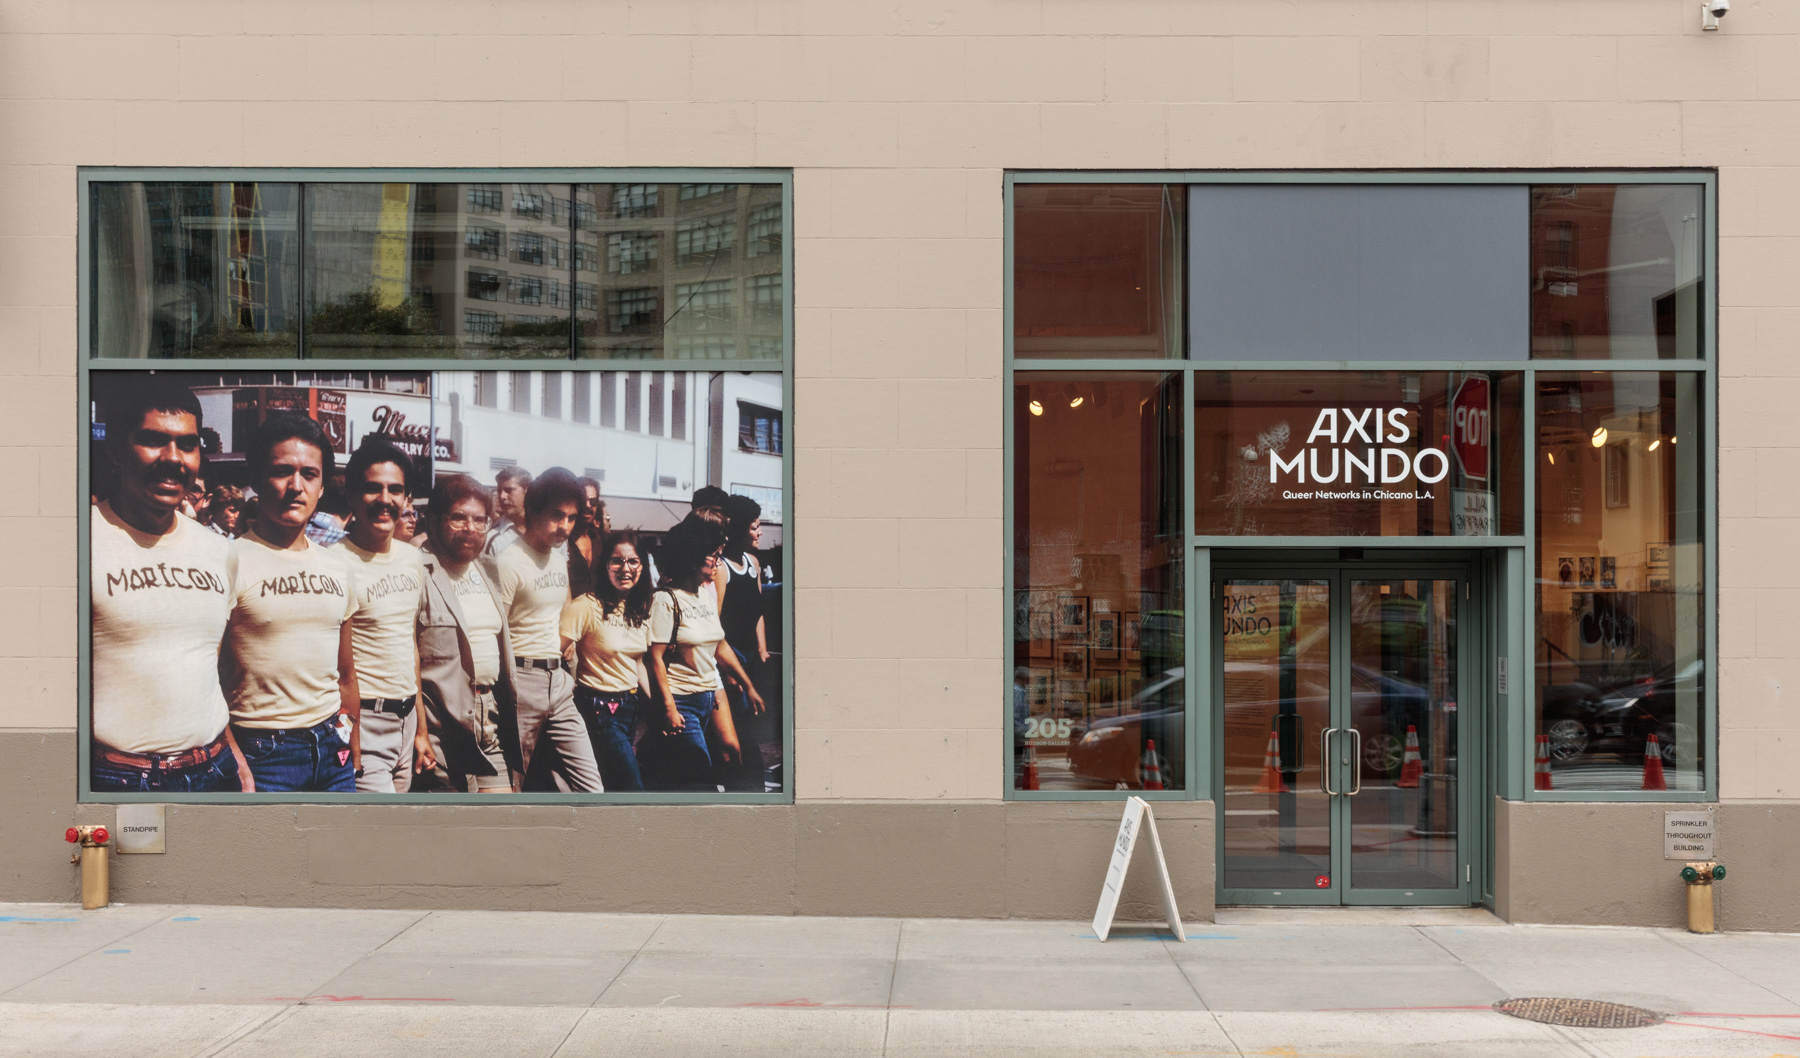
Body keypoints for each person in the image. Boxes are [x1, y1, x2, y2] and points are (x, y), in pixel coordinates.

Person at [89, 378, 245, 793]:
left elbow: (207, 668)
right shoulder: (79, 540)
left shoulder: (219, 550)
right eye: (154, 440)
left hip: (216, 769)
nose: (174, 458)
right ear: (117, 452)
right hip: (118, 777)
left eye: (187, 444)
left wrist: (235, 757)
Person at [221, 413, 360, 792]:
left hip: (334, 750)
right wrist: (232, 754)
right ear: (256, 479)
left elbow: (345, 673)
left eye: (309, 474)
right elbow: (203, 676)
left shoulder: (337, 564)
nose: (295, 486)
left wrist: (353, 743)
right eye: (281, 471)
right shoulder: (227, 559)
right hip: (262, 753)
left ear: (321, 486)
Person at [493, 466, 603, 792]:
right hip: (522, 681)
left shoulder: (559, 553)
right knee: (513, 784)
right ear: (534, 509)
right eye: (557, 516)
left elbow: (565, 604)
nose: (565, 526)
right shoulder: (509, 561)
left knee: (590, 787)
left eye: (571, 518)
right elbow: (496, 632)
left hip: (559, 680)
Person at [641, 518, 764, 791]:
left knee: (730, 752)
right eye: (715, 556)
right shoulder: (666, 600)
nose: (718, 563)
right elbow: (655, 659)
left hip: (709, 697)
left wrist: (748, 685)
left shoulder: (704, 596)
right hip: (682, 701)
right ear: (693, 558)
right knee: (698, 774)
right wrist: (669, 708)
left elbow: (720, 646)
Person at [414, 474, 516, 794]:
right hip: (442, 735)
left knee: (500, 832)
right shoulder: (417, 571)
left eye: (479, 520)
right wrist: (420, 732)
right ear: (435, 520)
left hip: (492, 728)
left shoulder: (488, 569)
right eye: (458, 517)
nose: (470, 528)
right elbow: (407, 659)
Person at [340, 438, 427, 794]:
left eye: (395, 490)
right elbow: (337, 669)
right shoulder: (334, 562)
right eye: (373, 489)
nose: (385, 500)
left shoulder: (411, 558)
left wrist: (420, 729)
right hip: (365, 723)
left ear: (406, 499)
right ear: (352, 496)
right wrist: (353, 742)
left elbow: (409, 647)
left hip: (406, 722)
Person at [559, 530, 653, 792]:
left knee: (611, 782)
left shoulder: (639, 608)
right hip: (598, 708)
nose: (626, 568)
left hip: (630, 706)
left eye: (633, 561)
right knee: (632, 786)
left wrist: (657, 707)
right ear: (605, 565)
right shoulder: (585, 606)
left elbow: (637, 663)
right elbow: (554, 652)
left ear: (643, 566)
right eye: (617, 561)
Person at [717, 495, 771, 791]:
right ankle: (745, 789)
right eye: (754, 527)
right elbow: (715, 627)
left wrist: (762, 650)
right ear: (739, 529)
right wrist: (729, 673)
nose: (759, 532)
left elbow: (758, 612)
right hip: (731, 660)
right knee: (739, 736)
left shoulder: (754, 563)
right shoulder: (722, 569)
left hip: (751, 659)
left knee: (751, 725)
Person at [567, 475, 607, 603]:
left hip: (597, 615)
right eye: (583, 500)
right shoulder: (562, 540)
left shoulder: (600, 540)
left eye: (593, 501)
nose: (588, 505)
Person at [484, 465, 532, 556]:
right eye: (499, 491)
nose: (502, 496)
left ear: (527, 490)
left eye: (509, 490)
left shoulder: (546, 531)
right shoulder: (491, 539)